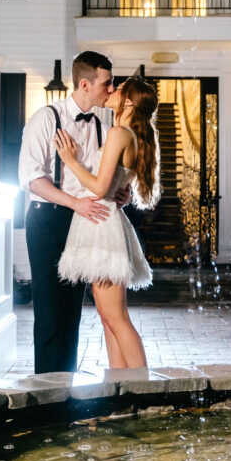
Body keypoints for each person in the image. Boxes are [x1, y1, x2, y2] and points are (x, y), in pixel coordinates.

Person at [18, 50, 128, 374]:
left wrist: (121, 193)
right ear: (85, 83)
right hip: (48, 219)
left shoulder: (102, 127)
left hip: (83, 222)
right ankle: (46, 394)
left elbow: (100, 179)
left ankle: (64, 389)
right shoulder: (45, 119)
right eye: (107, 83)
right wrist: (74, 203)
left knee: (71, 312)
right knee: (50, 312)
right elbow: (31, 179)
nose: (111, 89)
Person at [55, 76, 160, 369]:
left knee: (116, 317)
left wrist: (70, 160)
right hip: (101, 222)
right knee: (107, 315)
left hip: (102, 224)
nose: (112, 90)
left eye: (120, 88)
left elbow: (101, 188)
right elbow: (116, 185)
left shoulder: (119, 133)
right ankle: (118, 385)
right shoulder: (130, 135)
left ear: (129, 101)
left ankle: (142, 389)